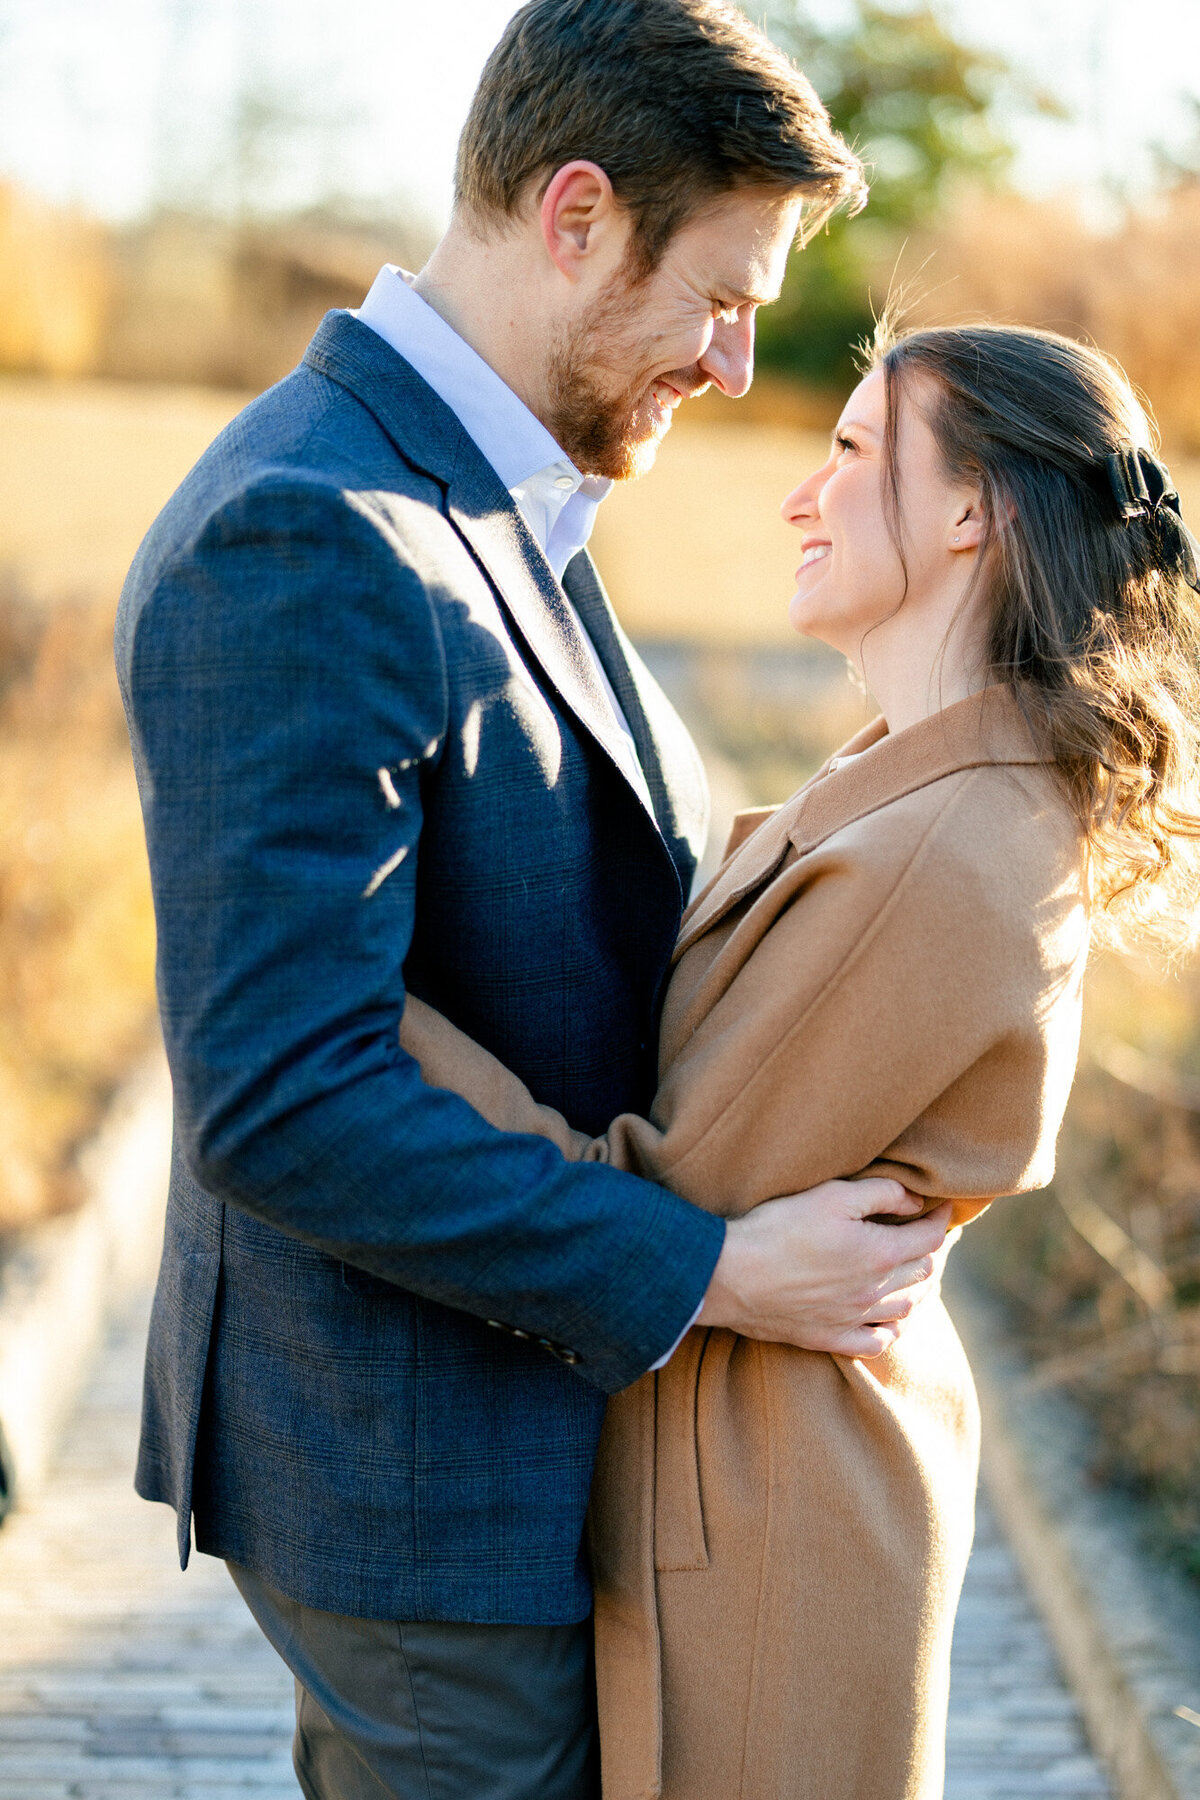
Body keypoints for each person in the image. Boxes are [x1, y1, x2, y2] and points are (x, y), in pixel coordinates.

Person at [115, 4, 953, 1796]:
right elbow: (285, 1096)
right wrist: (715, 1269)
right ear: (576, 216)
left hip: (514, 1447)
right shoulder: (314, 532)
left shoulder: (506, 499)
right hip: (421, 1485)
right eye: (720, 297)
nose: (737, 363)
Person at [398, 319, 1200, 1799]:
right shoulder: (912, 785)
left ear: (973, 514)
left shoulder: (952, 846)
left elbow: (669, 1184)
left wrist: (365, 1022)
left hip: (773, 1512)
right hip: (740, 1469)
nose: (797, 494)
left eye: (846, 451)